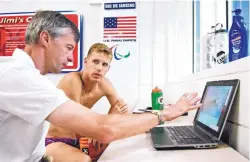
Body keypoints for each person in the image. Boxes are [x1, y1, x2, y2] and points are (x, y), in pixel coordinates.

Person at [0, 10, 202, 162]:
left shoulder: (26, 75)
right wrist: (164, 114)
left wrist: (141, 122)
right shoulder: (19, 76)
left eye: (104, 64)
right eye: (68, 48)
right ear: (45, 38)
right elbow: (102, 127)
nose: (71, 57)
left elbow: (114, 116)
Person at [46, 43, 130, 162]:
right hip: (54, 142)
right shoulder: (72, 80)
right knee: (84, 160)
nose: (99, 68)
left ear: (108, 68)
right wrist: (111, 116)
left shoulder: (104, 84)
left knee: (117, 154)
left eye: (104, 64)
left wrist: (147, 125)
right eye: (95, 62)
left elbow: (124, 112)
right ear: (86, 61)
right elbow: (78, 122)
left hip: (79, 142)